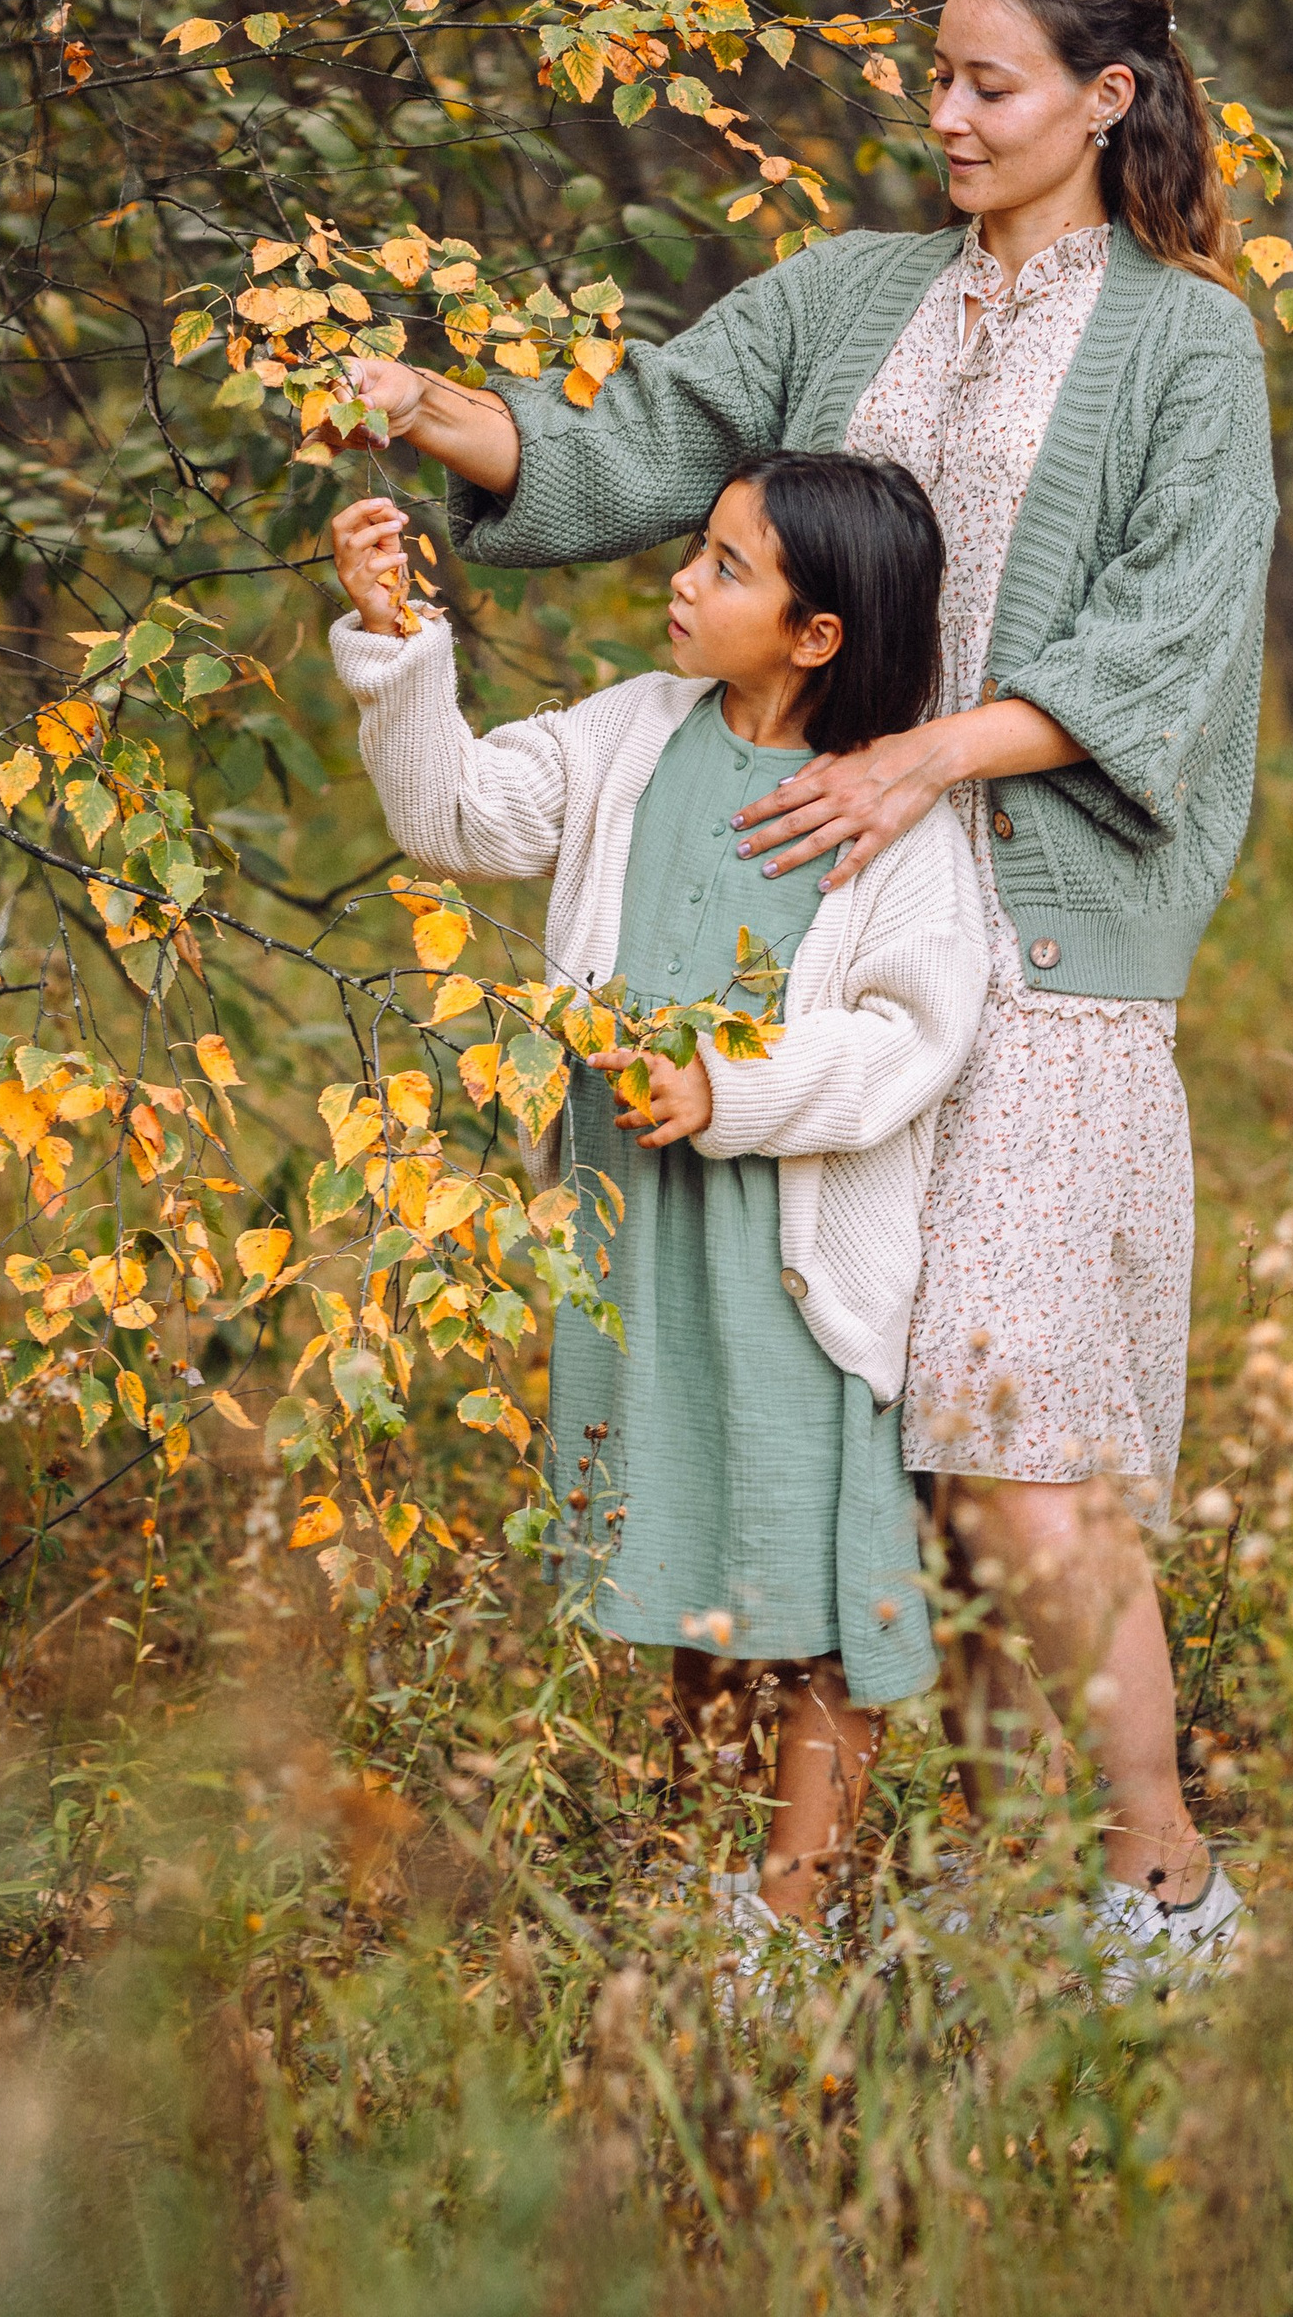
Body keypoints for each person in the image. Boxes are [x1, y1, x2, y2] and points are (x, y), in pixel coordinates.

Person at [343, 0, 1275, 1990]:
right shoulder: (848, 297)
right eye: (931, 75)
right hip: (819, 963)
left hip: (1046, 952)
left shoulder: (1185, 344)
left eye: (989, 85)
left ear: (1104, 101)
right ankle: (942, 1885)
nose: (942, 115)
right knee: (883, 1441)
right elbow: (615, 454)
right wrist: (429, 406)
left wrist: (916, 763)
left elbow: (1167, 642)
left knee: (1019, 1464)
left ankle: (1163, 1888)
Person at [328, 451, 985, 1960]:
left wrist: (730, 1086)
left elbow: (912, 1036)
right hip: (636, 1239)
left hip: (785, 1259)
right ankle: (709, 1885)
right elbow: (463, 819)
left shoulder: (890, 815)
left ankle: (788, 1916)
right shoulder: (635, 732)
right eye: (700, 550)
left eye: (729, 567)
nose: (683, 582)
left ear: (817, 634)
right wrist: (399, 652)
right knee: (688, 1557)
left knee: (808, 1590)